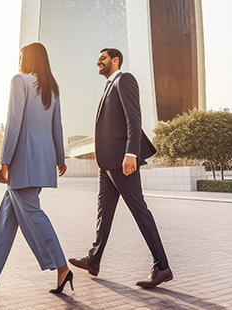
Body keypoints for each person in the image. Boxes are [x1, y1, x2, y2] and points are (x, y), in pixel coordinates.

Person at [0, 42, 72, 296]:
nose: (18, 60)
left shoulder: (20, 81)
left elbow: (13, 122)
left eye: (20, 56)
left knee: (33, 214)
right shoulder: (52, 88)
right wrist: (60, 157)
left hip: (23, 160)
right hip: (43, 159)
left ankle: (62, 267)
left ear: (27, 58)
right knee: (8, 215)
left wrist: (4, 160)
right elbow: (57, 126)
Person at [67, 48, 172, 288]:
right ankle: (94, 260)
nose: (98, 62)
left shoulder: (124, 79)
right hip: (107, 162)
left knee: (139, 209)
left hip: (122, 159)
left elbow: (133, 119)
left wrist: (131, 153)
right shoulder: (107, 87)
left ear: (115, 61)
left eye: (102, 59)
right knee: (104, 212)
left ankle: (162, 267)